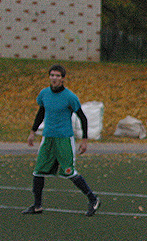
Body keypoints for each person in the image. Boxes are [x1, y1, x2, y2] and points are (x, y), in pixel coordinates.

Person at [22, 64, 100, 216]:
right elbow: (41, 112)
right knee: (38, 172)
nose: (54, 78)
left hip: (64, 139)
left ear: (63, 78)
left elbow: (83, 118)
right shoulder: (44, 94)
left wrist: (84, 140)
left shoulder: (70, 97)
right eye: (52, 75)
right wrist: (32, 132)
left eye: (57, 76)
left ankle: (93, 199)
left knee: (69, 172)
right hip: (48, 138)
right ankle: (37, 206)